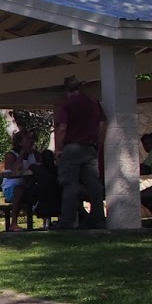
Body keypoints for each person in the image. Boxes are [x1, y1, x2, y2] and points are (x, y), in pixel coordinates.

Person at [54, 75, 106, 229]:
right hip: (90, 148)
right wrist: (98, 146)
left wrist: (58, 149)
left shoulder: (67, 104)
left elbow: (62, 128)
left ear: (67, 91)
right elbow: (102, 125)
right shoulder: (94, 103)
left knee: (70, 184)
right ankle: (98, 219)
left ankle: (67, 221)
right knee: (94, 185)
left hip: (72, 148)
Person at [0, 129, 38, 229]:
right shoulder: (11, 155)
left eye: (31, 139)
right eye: (28, 139)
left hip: (29, 186)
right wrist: (22, 153)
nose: (31, 141)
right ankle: (13, 224)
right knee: (19, 190)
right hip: (11, 189)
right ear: (20, 142)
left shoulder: (35, 155)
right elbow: (16, 169)